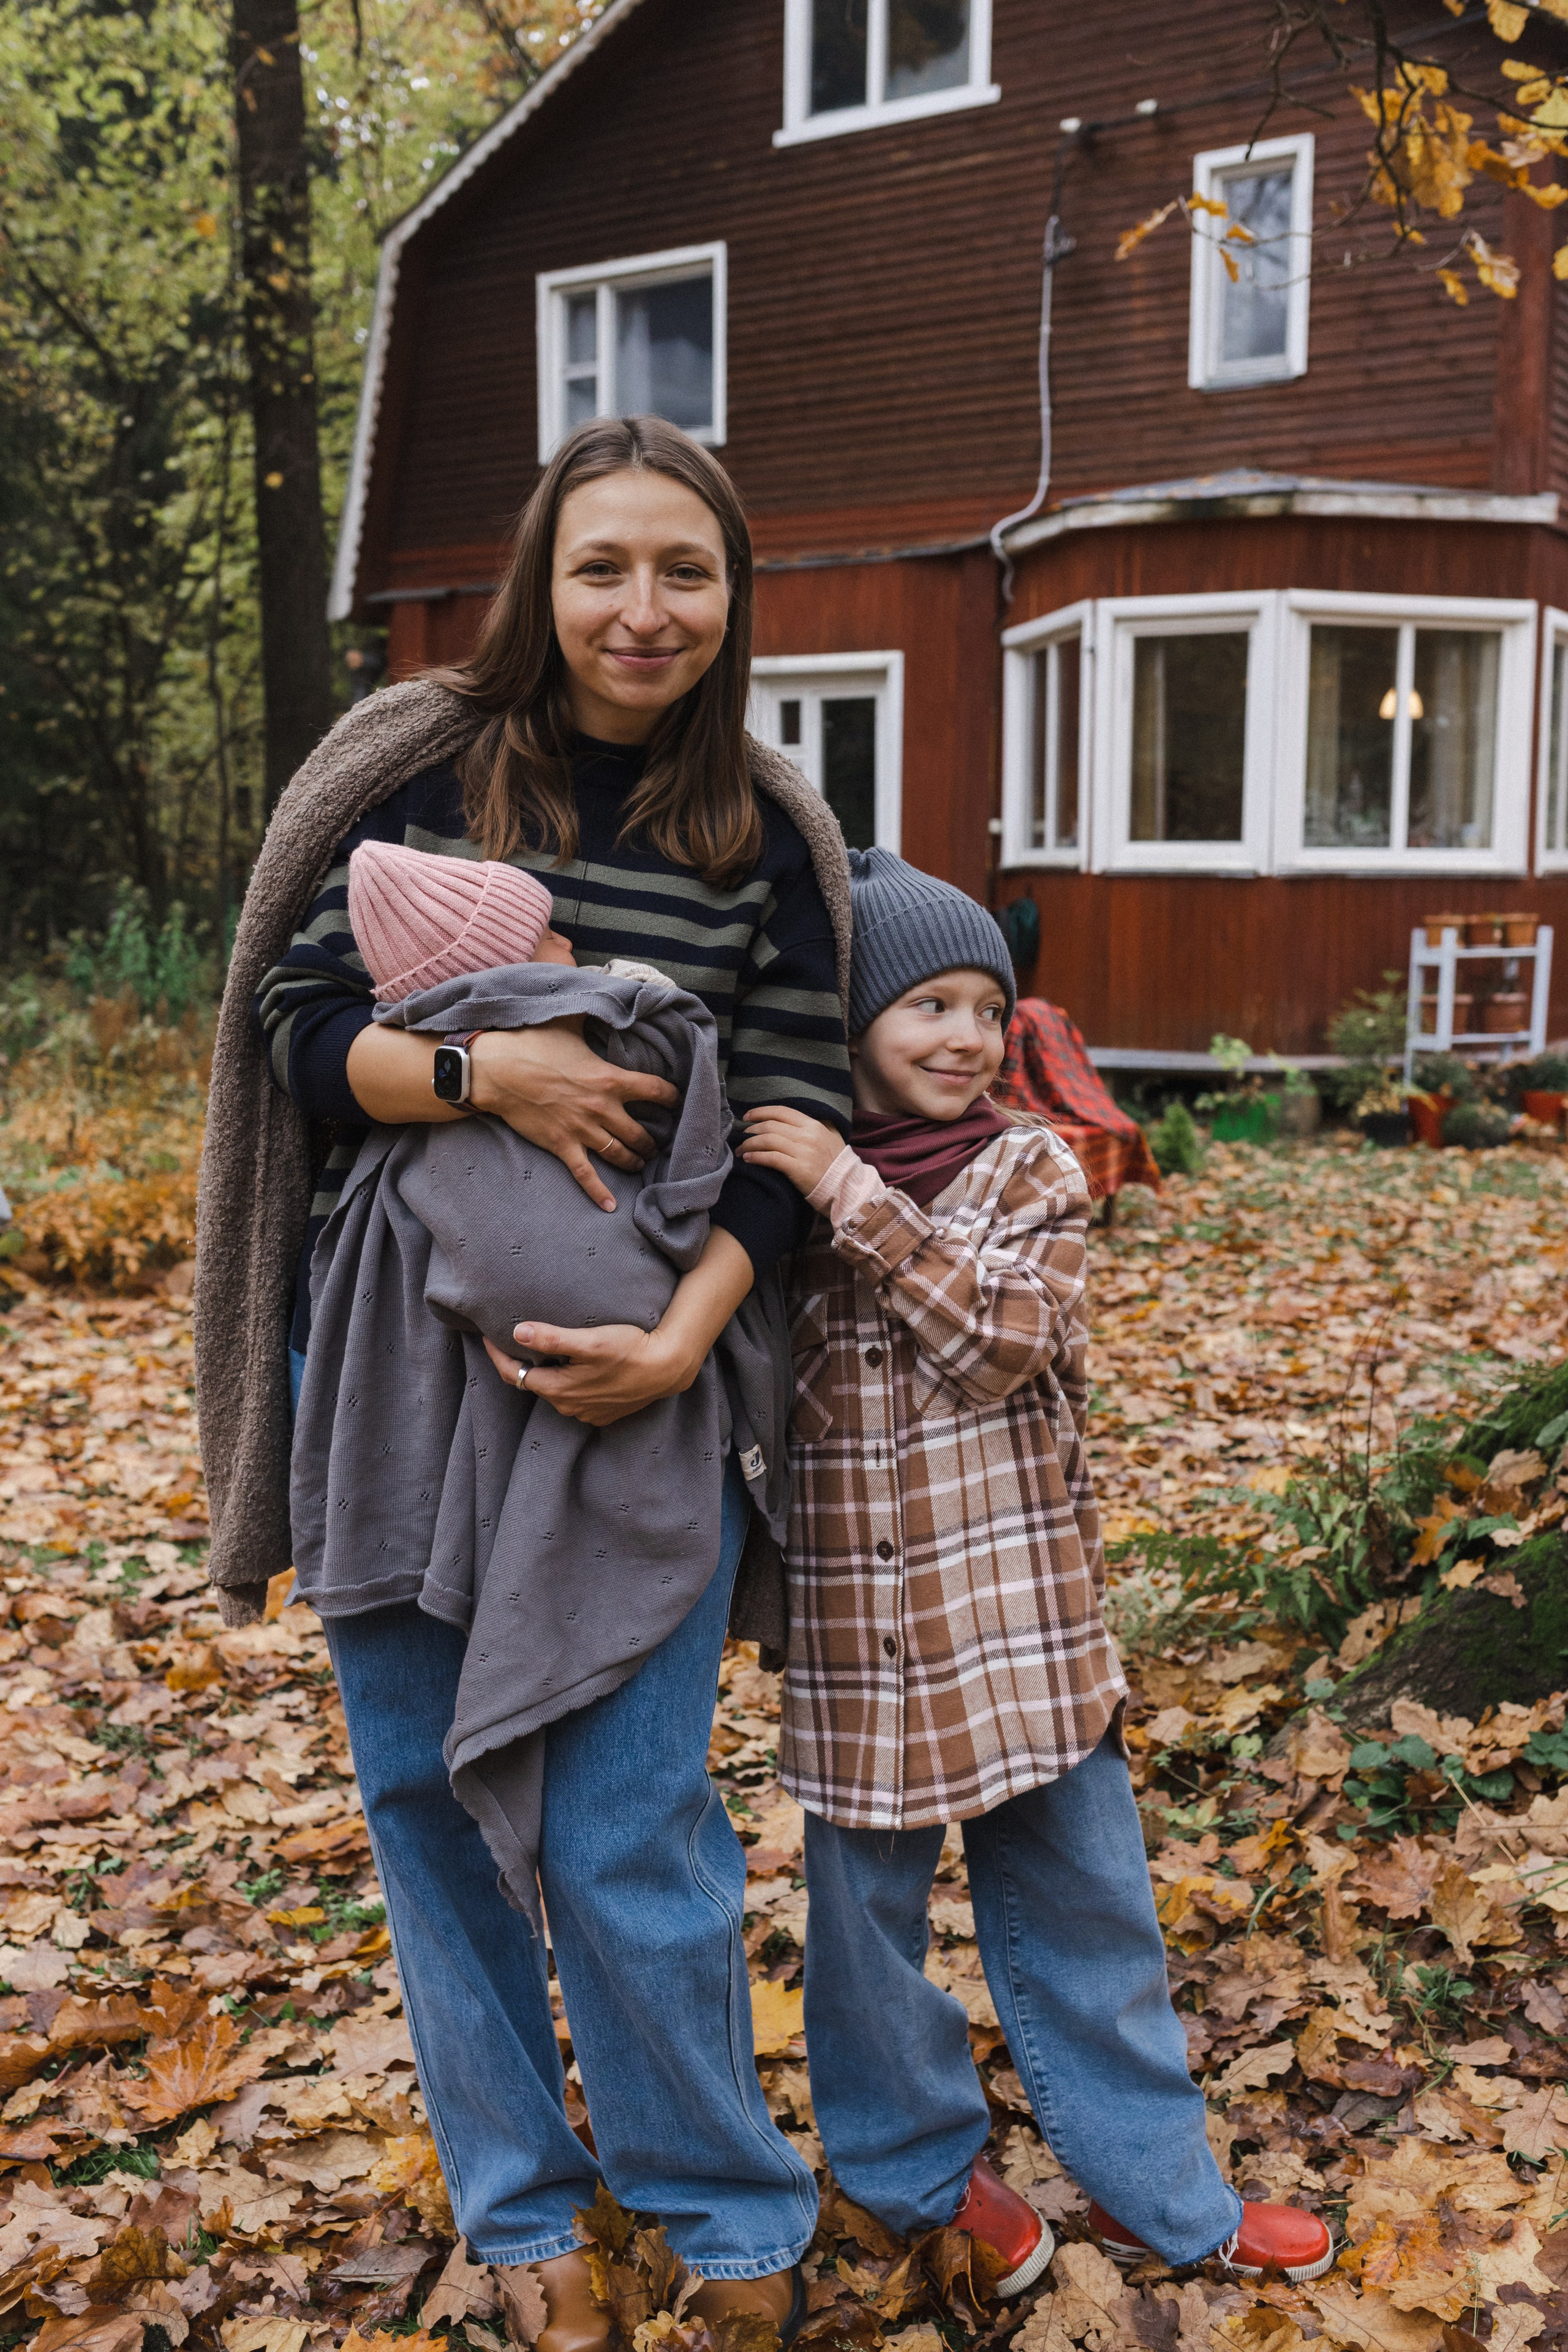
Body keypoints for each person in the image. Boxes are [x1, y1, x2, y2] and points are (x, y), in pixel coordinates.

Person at [194, 415, 856, 2351]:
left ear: (733, 599)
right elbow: (298, 1036)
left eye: (683, 572)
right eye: (602, 568)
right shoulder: (426, 780)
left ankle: (727, 2213)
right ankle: (521, 2206)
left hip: (635, 1382)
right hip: (393, 1375)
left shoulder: (766, 832)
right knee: (418, 1787)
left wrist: (681, 1335)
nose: (641, 610)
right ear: (539, 585)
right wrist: (498, 1076)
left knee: (626, 1816)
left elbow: (799, 1109)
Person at [740, 847, 1335, 2288]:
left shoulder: (1026, 1166)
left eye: (980, 1009)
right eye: (922, 1006)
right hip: (861, 1635)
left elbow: (1001, 1341)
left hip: (1020, 1621)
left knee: (1087, 1906)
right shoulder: (777, 1181)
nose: (957, 1036)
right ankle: (916, 2176)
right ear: (850, 1022)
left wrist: (848, 1199)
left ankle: (1153, 2185)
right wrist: (807, 1184)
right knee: (864, 1935)